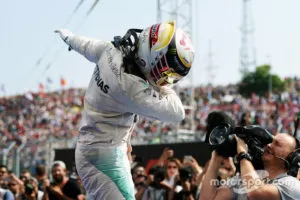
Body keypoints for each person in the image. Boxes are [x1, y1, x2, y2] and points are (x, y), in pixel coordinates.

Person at [55, 20, 195, 200]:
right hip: (105, 157)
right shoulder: (131, 88)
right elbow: (177, 112)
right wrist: (161, 85)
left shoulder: (112, 50)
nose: (168, 79)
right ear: (152, 57)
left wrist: (69, 38)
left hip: (96, 150)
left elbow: (86, 46)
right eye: (167, 73)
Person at [199, 133, 300, 200]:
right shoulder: (245, 180)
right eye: (270, 141)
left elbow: (255, 192)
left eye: (277, 144)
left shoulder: (293, 185)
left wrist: (243, 153)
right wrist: (216, 156)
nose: (268, 145)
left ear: (291, 157)